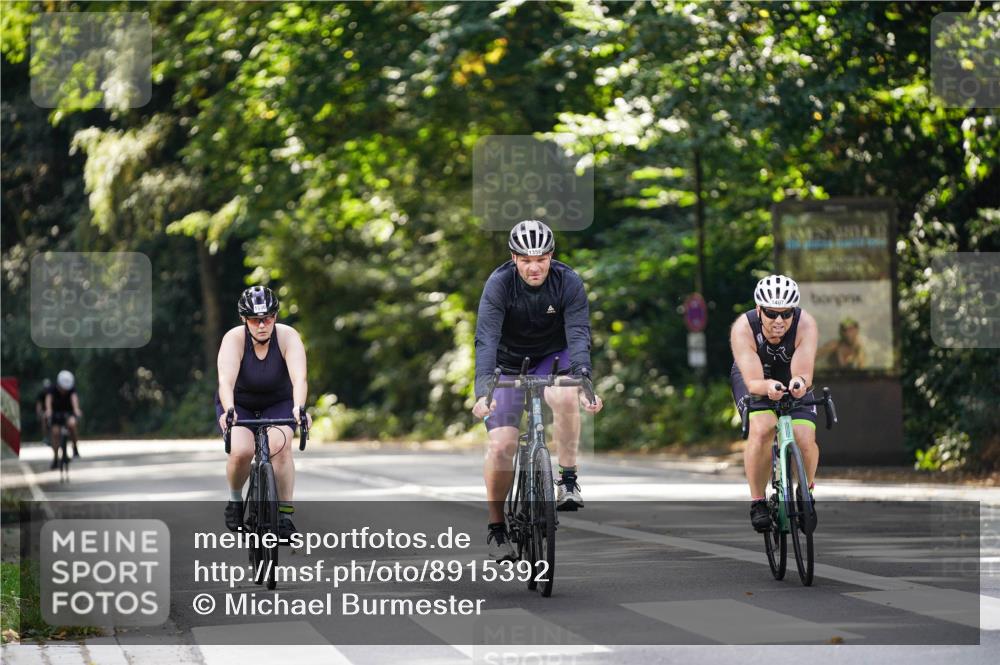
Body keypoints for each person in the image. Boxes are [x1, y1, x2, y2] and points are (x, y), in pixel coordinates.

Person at [472, 220, 604, 561]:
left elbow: (577, 335)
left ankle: (568, 480)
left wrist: (584, 379)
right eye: (526, 260)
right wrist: (484, 390)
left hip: (552, 355)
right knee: (502, 444)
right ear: (514, 258)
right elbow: (486, 339)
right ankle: (497, 527)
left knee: (564, 394)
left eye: (541, 259)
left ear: (551, 256)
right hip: (507, 363)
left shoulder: (568, 282)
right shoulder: (499, 284)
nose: (534, 267)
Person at [216, 285, 312, 537]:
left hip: (279, 401)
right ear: (244, 320)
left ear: (276, 317)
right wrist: (229, 409)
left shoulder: (288, 337)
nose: (262, 324)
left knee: (280, 448)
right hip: (240, 404)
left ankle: (284, 516)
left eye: (268, 318)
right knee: (241, 451)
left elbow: (299, 378)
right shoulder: (234, 339)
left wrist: (299, 407)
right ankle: (236, 501)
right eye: (255, 319)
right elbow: (225, 381)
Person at [729, 274, 820, 532]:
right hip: (754, 376)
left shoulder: (805, 325)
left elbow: (803, 373)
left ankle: (806, 492)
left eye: (786, 313)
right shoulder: (743, 328)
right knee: (764, 427)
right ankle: (758, 502)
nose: (779, 321)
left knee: (805, 437)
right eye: (771, 313)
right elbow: (755, 382)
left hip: (789, 373)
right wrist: (768, 387)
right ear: (759, 310)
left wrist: (799, 383)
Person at [44, 370, 82, 468]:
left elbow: (74, 400)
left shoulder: (72, 389)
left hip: (68, 413)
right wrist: (48, 411)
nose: (65, 390)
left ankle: (75, 448)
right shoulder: (52, 389)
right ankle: (56, 458)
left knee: (72, 424)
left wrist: (76, 410)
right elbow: (48, 400)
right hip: (55, 414)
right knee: (55, 433)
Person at [35, 378, 52, 446]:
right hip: (44, 411)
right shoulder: (41, 394)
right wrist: (39, 413)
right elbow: (39, 404)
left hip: (52, 411)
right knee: (44, 420)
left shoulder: (52, 393)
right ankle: (45, 437)